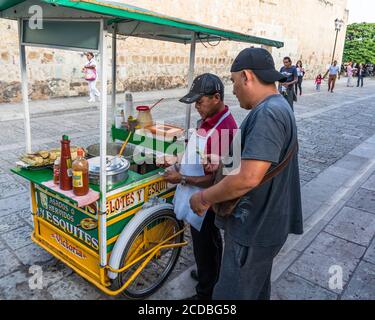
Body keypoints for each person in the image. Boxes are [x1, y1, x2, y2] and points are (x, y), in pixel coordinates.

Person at [189, 48, 303, 300]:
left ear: (247, 76)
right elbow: (262, 164)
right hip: (265, 224)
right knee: (255, 291)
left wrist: (204, 197)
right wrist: (222, 161)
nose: (233, 89)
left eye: (233, 81)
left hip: (255, 227)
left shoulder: (268, 113)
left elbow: (249, 178)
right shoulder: (278, 106)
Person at [162, 73, 237, 300]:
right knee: (203, 244)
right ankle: (209, 274)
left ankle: (206, 293)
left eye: (199, 101)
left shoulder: (226, 130)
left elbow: (220, 179)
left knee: (208, 244)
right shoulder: (207, 121)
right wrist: (179, 162)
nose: (196, 107)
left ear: (216, 98)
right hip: (196, 198)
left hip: (207, 200)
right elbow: (198, 154)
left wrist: (182, 178)